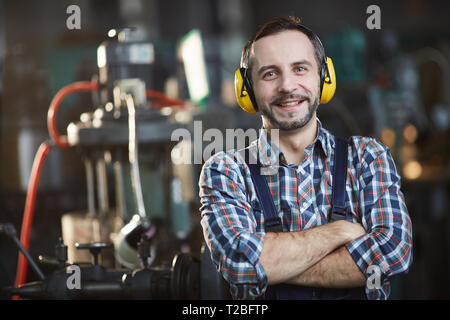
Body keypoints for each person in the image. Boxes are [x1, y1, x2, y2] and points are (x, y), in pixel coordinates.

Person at [199, 16, 413, 300]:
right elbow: (241, 264)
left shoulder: (368, 157)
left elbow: (392, 253)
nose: (287, 86)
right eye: (270, 74)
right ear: (247, 90)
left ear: (324, 78)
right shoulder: (225, 172)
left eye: (300, 68)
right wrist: (339, 232)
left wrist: (272, 265)